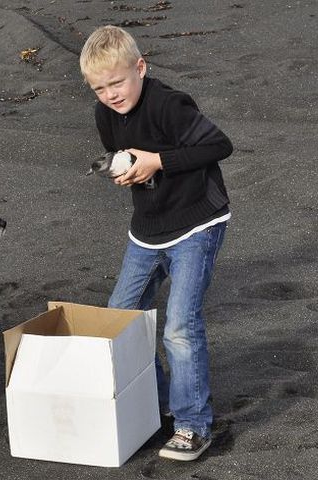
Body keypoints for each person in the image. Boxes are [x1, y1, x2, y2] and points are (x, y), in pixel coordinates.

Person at [79, 26, 233, 462]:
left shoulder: (169, 104)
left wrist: (157, 162)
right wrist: (120, 168)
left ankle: (192, 425)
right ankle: (162, 403)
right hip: (146, 229)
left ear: (140, 68)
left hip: (197, 224)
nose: (110, 94)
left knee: (179, 327)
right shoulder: (104, 113)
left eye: (117, 82)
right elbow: (122, 152)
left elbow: (220, 144)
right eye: (99, 88)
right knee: (122, 320)